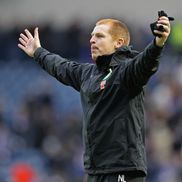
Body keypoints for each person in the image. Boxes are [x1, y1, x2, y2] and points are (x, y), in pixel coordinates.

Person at [18, 14, 171, 182]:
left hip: (123, 170)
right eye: (91, 36)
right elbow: (61, 66)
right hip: (95, 171)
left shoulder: (126, 73)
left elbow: (145, 64)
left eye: (99, 36)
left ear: (118, 43)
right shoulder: (88, 74)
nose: (92, 40)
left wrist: (158, 44)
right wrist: (38, 52)